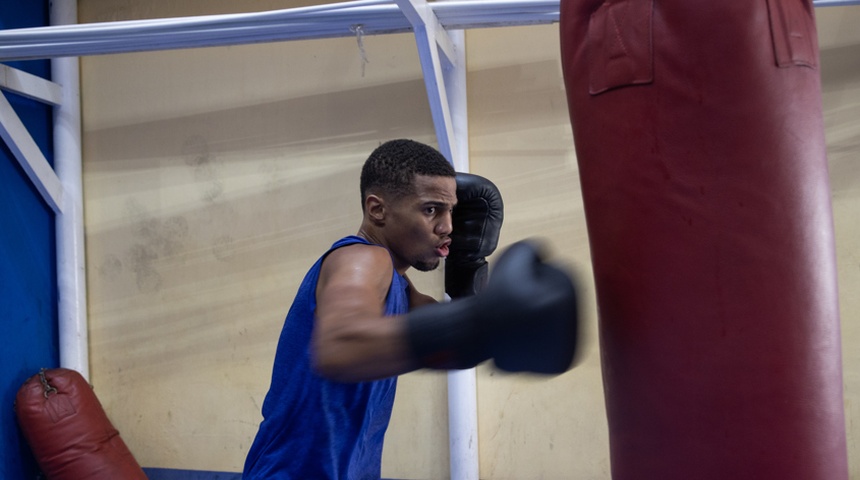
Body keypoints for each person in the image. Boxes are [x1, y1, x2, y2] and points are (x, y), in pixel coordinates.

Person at [243, 139, 578, 479]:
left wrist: (469, 271)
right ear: (377, 209)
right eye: (431, 210)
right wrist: (482, 324)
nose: (447, 227)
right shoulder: (361, 258)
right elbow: (339, 347)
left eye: (452, 212)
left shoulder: (399, 287)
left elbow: (449, 343)